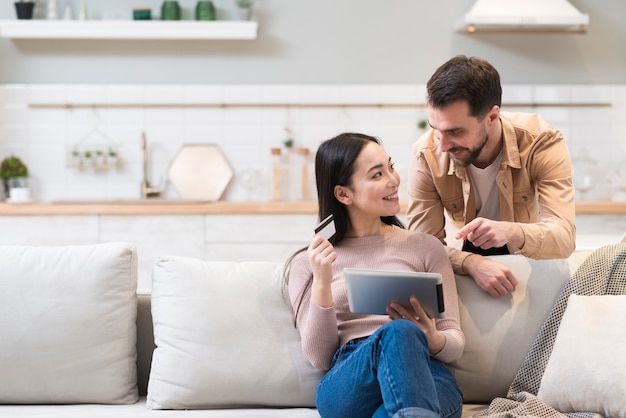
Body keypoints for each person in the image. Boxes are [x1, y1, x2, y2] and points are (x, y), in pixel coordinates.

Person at [283, 132, 465, 418]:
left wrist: (431, 337)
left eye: (390, 167)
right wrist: (322, 280)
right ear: (344, 193)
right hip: (351, 375)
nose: (393, 180)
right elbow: (319, 357)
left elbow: (454, 343)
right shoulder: (308, 263)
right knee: (398, 330)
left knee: (393, 401)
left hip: (423, 370)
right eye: (377, 174)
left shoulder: (426, 248)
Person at [406, 55, 576, 298]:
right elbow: (421, 248)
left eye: (455, 131)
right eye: (436, 130)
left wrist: (510, 232)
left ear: (493, 116)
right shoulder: (425, 154)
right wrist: (471, 263)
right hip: (462, 266)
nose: (442, 145)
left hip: (528, 264)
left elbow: (563, 239)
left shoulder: (542, 141)